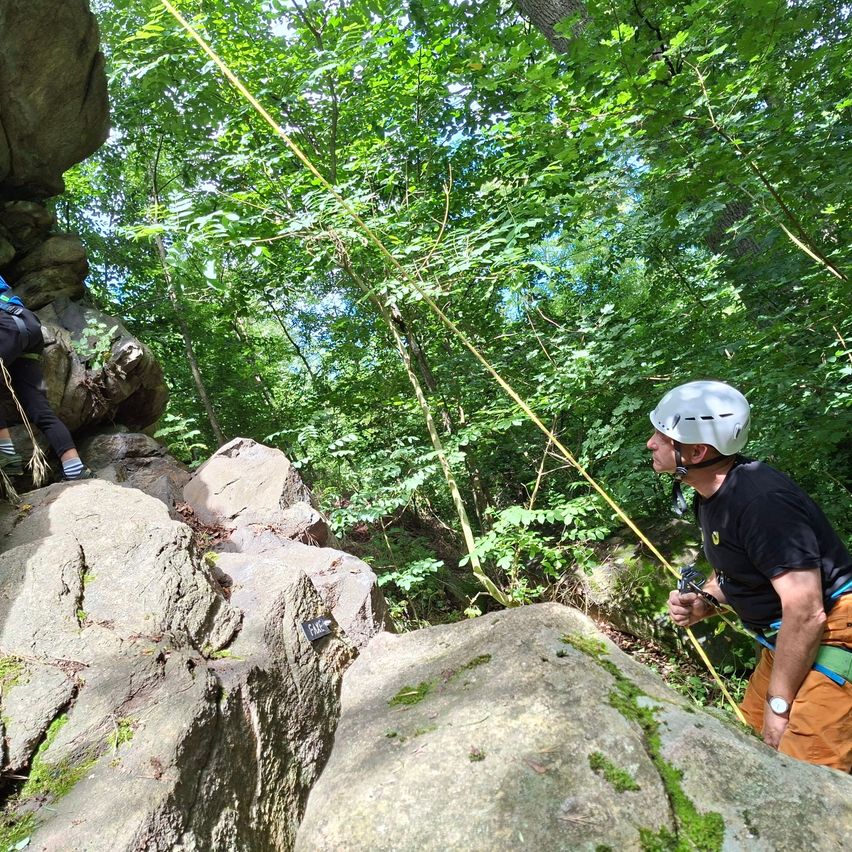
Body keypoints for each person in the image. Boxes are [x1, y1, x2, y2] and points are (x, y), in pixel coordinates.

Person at [647, 380, 852, 771]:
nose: (650, 443)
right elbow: (738, 570)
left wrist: (780, 704)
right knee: (752, 752)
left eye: (662, 435)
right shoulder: (714, 496)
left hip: (832, 637)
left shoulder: (762, 502)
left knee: (805, 773)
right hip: (785, 643)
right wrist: (705, 602)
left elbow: (806, 610)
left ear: (696, 451)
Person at [0, 274, 92, 482]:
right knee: (40, 409)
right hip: (30, 327)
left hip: (5, 326)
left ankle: (7, 460)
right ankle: (74, 468)